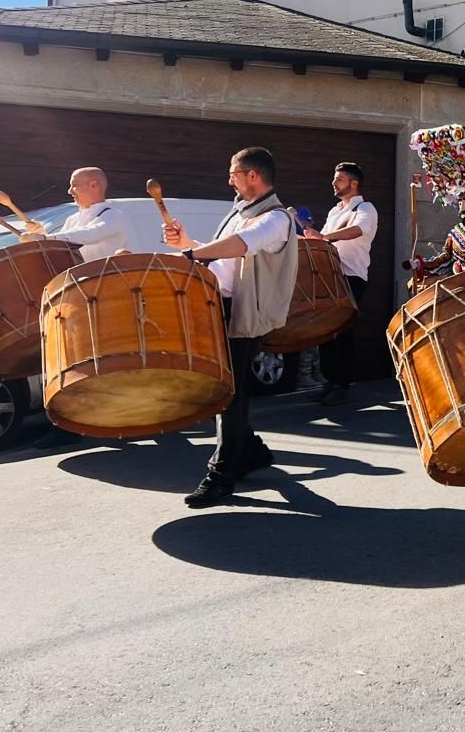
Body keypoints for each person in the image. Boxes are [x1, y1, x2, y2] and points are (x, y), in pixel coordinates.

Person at [163, 147, 300, 508]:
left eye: (233, 174)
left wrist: (193, 253)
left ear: (253, 175)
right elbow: (219, 255)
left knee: (230, 395)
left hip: (243, 313)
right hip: (219, 308)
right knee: (226, 391)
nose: (229, 181)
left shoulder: (276, 218)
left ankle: (221, 477)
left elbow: (240, 246)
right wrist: (187, 244)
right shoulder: (239, 213)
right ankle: (252, 451)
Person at [32, 165, 130, 449]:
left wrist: (46, 238)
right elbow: (63, 246)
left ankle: (116, 420)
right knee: (71, 363)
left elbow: (88, 235)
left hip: (106, 298)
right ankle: (68, 424)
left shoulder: (113, 216)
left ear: (94, 185)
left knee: (105, 364)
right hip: (76, 299)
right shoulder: (73, 219)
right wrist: (39, 237)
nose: (69, 191)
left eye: (74, 185)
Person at [306, 162, 378, 408]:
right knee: (325, 330)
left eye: (339, 179)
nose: (334, 183)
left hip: (351, 277)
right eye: (334, 178)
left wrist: (325, 237)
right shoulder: (334, 211)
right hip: (329, 275)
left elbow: (358, 230)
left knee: (342, 330)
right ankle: (330, 381)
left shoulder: (365, 208)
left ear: (354, 183)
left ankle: (343, 385)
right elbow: (322, 241)